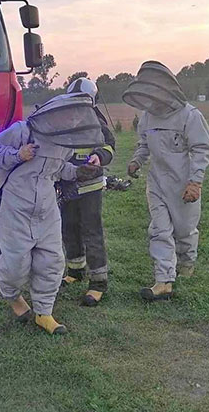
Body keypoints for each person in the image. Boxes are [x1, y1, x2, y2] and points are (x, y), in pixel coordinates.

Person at [0, 93, 105, 334]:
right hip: (17, 204)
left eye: (77, 117)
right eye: (70, 115)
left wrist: (79, 172)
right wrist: (17, 155)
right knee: (16, 262)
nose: (73, 121)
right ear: (56, 113)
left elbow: (58, 170)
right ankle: (13, 297)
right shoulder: (22, 131)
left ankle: (44, 313)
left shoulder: (64, 141)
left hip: (47, 206)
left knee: (52, 261)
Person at [122, 61, 209, 301]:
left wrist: (196, 182)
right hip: (157, 183)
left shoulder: (189, 116)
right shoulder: (148, 117)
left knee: (184, 230)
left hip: (184, 183)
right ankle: (164, 281)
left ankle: (187, 265)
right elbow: (144, 144)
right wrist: (136, 161)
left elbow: (201, 149)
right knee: (159, 230)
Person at [58, 78, 115, 307]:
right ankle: (75, 270)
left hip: (90, 186)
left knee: (91, 231)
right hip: (68, 183)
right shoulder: (63, 119)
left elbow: (110, 145)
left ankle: (98, 283)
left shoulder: (97, 120)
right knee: (69, 226)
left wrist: (100, 156)